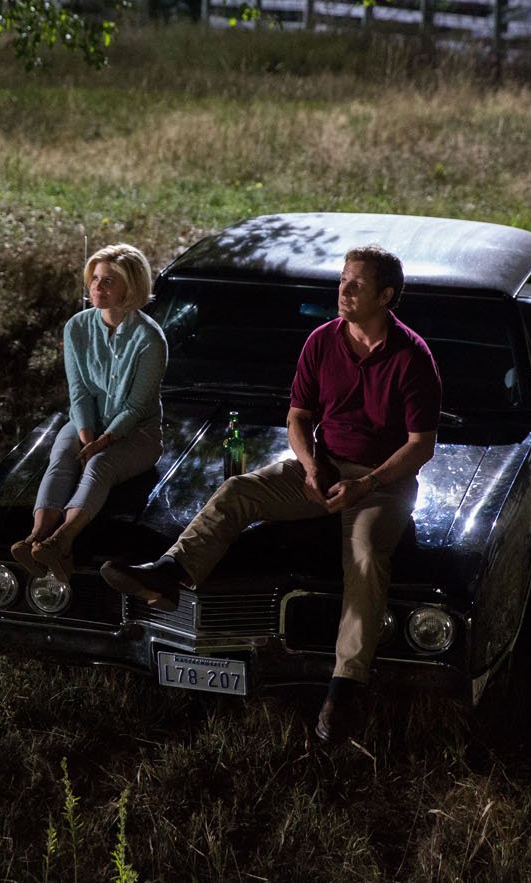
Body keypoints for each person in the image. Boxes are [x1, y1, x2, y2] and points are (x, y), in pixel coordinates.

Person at [101, 244, 440, 742]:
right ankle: (170, 572)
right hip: (321, 466)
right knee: (240, 488)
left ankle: (345, 688)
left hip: (381, 482)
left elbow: (421, 446)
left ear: (386, 296)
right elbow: (298, 418)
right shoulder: (322, 342)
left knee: (365, 555)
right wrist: (308, 467)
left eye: (357, 285)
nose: (343, 291)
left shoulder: (412, 357)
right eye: (343, 280)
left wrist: (365, 483)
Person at [13, 244, 167, 584]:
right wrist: (86, 436)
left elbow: (137, 407)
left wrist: (103, 442)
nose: (97, 287)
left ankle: (61, 541)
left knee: (101, 464)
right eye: (95, 278)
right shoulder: (77, 327)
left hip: (137, 432)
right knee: (61, 454)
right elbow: (79, 391)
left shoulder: (149, 339)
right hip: (88, 422)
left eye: (109, 281)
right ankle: (34, 539)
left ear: (132, 287)